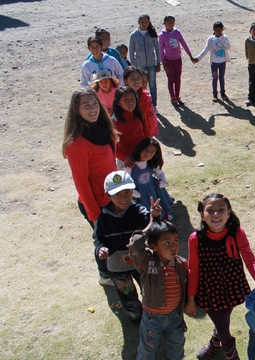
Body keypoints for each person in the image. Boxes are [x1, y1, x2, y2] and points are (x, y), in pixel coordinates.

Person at [186, 193, 255, 360]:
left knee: (222, 321)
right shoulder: (196, 239)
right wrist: (191, 299)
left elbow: (249, 259)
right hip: (208, 291)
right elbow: (192, 270)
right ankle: (232, 356)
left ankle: (212, 347)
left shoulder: (237, 232)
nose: (216, 214)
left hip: (232, 286)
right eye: (210, 210)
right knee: (224, 329)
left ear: (229, 212)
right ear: (203, 214)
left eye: (221, 210)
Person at [62, 88, 118, 285]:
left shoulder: (103, 128)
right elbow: (81, 184)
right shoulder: (76, 144)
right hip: (96, 203)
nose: (92, 109)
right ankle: (105, 275)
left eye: (94, 103)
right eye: (86, 105)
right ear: (76, 110)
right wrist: (94, 214)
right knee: (102, 241)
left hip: (112, 198)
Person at [95, 171, 162, 323]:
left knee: (148, 288)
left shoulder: (138, 212)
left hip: (140, 262)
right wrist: (101, 249)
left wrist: (155, 217)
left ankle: (152, 312)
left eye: (127, 192)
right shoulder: (104, 217)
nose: (124, 197)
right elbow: (99, 239)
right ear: (108, 196)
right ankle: (135, 315)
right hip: (117, 267)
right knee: (127, 294)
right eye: (117, 194)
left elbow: (154, 230)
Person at [129, 220, 188, 360]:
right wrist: (151, 222)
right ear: (153, 246)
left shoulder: (181, 264)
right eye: (166, 243)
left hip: (175, 316)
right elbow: (134, 245)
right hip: (151, 318)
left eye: (175, 241)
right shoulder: (146, 262)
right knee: (147, 349)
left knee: (177, 345)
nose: (173, 246)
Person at [126, 137, 174, 221]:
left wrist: (162, 183)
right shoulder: (131, 165)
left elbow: (160, 173)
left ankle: (162, 216)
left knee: (157, 204)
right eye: (146, 149)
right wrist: (136, 194)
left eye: (152, 152)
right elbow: (126, 182)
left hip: (152, 190)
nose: (148, 154)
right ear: (140, 148)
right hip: (138, 193)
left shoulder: (151, 164)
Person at [159, 14, 195, 106]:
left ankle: (178, 96)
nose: (170, 24)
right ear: (164, 23)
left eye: (172, 22)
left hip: (178, 60)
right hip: (168, 61)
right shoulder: (162, 35)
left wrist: (190, 56)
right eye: (168, 22)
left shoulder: (177, 33)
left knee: (178, 79)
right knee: (171, 80)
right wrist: (163, 63)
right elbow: (160, 50)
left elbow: (184, 44)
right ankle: (173, 97)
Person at [112, 86, 150, 169]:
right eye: (125, 100)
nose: (130, 102)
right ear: (118, 102)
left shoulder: (139, 117)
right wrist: (125, 157)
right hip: (127, 162)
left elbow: (146, 136)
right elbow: (112, 147)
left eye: (132, 99)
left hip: (142, 158)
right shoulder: (115, 123)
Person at [129, 13, 161, 107]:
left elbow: (157, 48)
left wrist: (158, 63)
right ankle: (142, 104)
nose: (144, 24)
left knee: (152, 85)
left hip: (151, 64)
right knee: (141, 85)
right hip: (140, 65)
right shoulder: (134, 35)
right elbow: (131, 52)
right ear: (139, 22)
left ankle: (153, 105)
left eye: (146, 22)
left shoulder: (151, 34)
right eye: (142, 22)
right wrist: (134, 67)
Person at [195, 21, 231, 101]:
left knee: (222, 78)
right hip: (214, 63)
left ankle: (223, 93)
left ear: (222, 29)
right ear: (214, 29)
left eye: (220, 29)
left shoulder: (225, 38)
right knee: (215, 78)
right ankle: (215, 94)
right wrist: (198, 58)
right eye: (217, 30)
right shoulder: (211, 39)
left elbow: (228, 47)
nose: (218, 31)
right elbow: (206, 50)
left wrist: (222, 39)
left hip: (222, 62)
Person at [123, 66, 158, 137]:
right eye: (132, 79)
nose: (136, 81)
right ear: (126, 81)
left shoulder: (145, 95)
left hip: (144, 130)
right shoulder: (122, 97)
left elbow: (150, 113)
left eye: (138, 78)